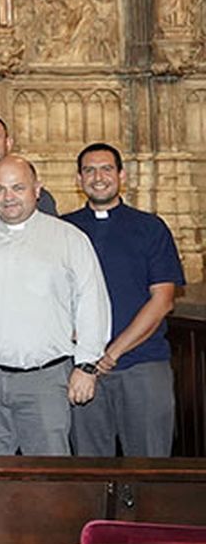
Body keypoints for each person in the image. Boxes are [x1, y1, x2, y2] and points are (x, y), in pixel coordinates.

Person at [0, 155, 110, 455]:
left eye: (18, 188)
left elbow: (93, 303)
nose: (8, 198)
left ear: (37, 190)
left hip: (45, 381)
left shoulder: (69, 239)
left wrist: (86, 366)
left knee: (48, 479)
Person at [63, 143, 183, 457]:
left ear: (121, 175)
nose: (98, 177)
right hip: (81, 369)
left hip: (142, 365)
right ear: (78, 179)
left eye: (106, 169)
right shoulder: (64, 230)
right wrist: (84, 351)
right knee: (91, 472)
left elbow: (163, 301)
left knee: (149, 470)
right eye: (89, 170)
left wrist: (110, 354)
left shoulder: (150, 228)